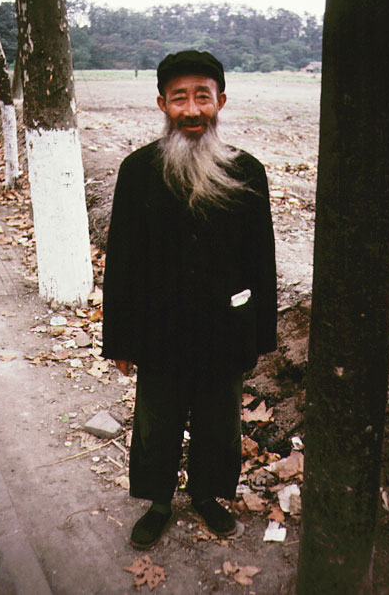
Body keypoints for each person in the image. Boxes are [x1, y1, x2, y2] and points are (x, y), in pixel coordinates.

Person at [102, 50, 277, 549]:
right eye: (180, 98)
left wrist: (260, 333)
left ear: (221, 100)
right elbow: (123, 264)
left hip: (224, 327)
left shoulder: (247, 171)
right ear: (162, 104)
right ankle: (158, 502)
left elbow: (261, 261)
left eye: (204, 95)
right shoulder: (137, 172)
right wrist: (119, 338)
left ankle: (207, 496)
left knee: (219, 421)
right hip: (159, 331)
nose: (193, 109)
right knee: (156, 421)